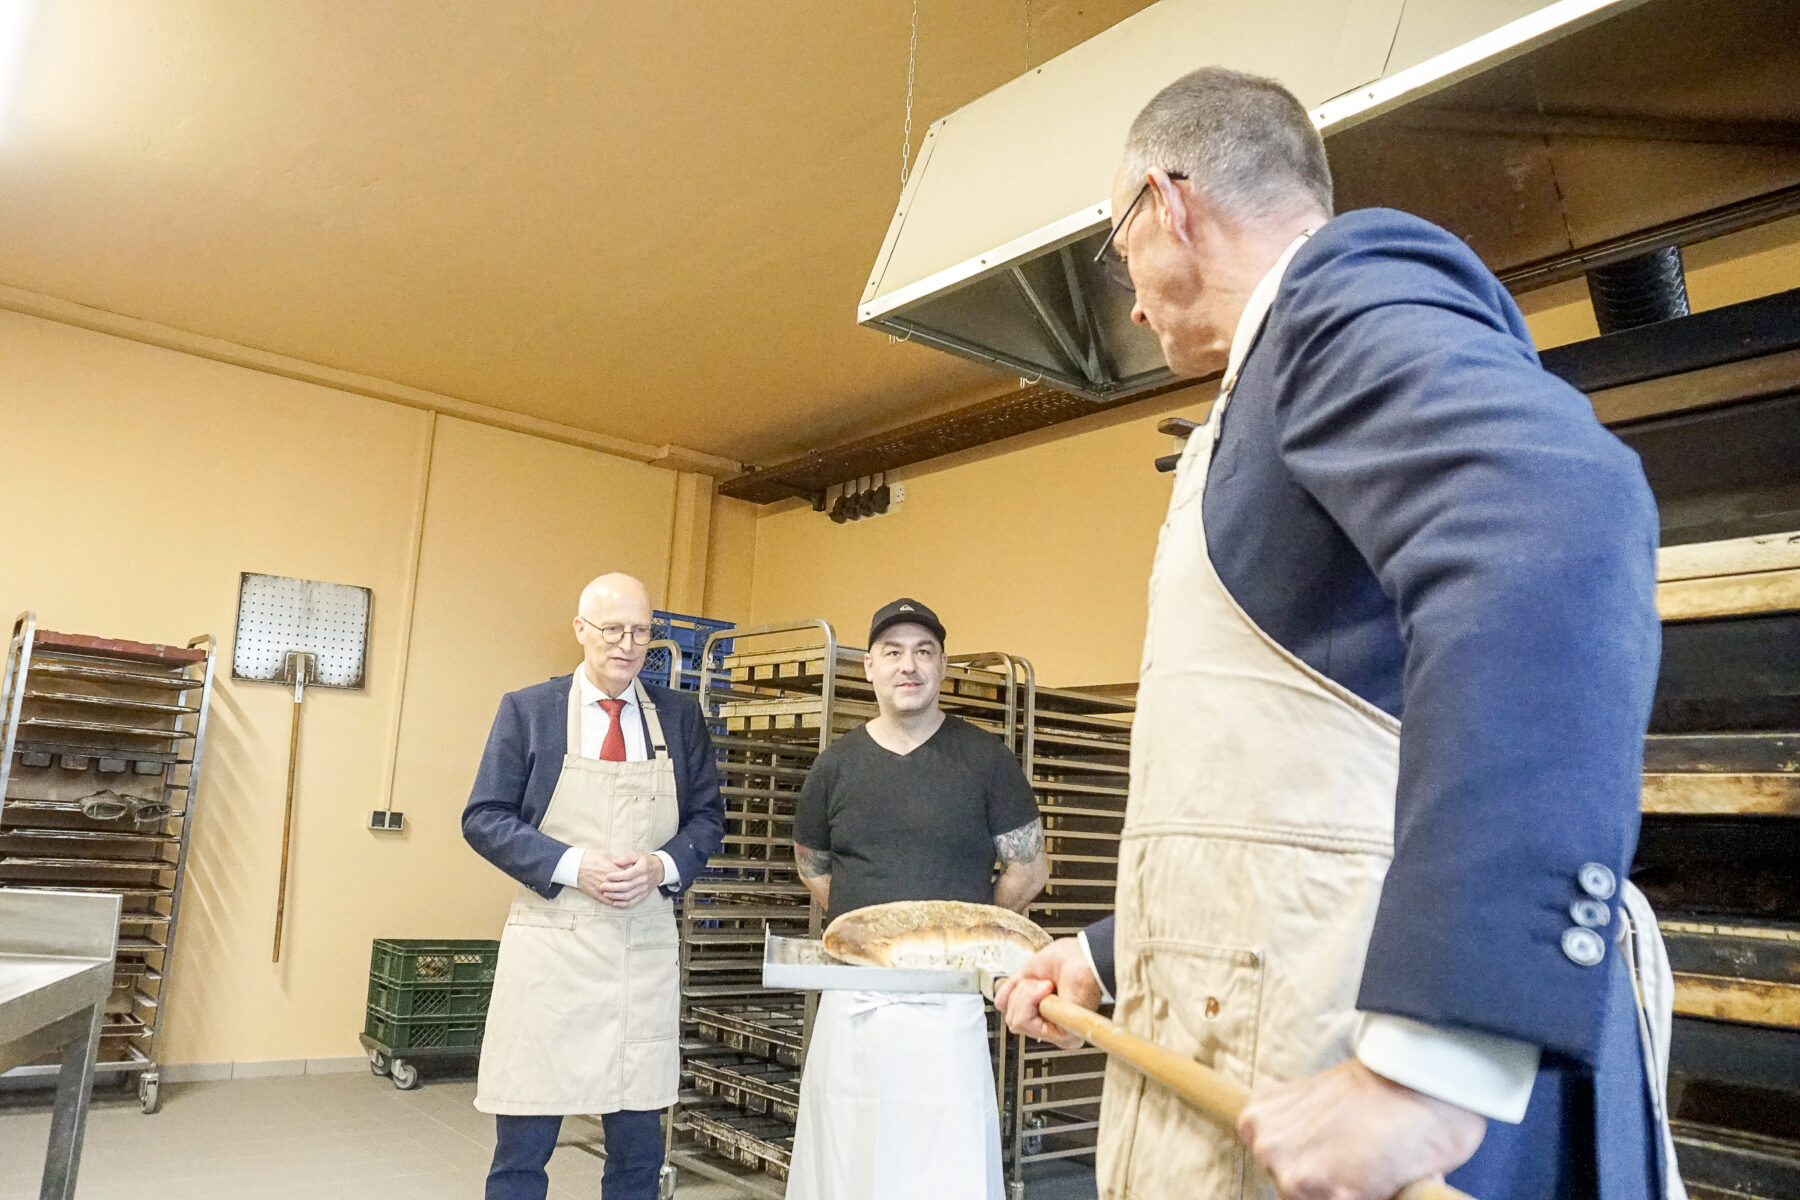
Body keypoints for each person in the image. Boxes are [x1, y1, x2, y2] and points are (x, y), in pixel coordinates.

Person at [996, 67, 1682, 1200]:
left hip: (1410, 1077)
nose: (1127, 302)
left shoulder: (1332, 296)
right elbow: (1308, 781)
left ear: (1169, 207)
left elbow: (1559, 519)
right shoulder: (1257, 392)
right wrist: (1113, 955)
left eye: (1119, 255)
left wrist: (1430, 1063)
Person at [462, 573, 725, 1200]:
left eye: (641, 631)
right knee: (523, 1152)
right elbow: (484, 816)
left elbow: (708, 818)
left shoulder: (680, 717)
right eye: (612, 629)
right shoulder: (530, 711)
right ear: (581, 630)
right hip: (552, 954)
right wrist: (574, 865)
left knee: (637, 1153)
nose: (627, 644)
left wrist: (663, 866)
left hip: (640, 952)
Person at [785, 598, 1050, 1200]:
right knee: (846, 1159)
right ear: (869, 669)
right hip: (854, 998)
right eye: (893, 652)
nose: (909, 666)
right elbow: (815, 870)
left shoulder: (986, 761)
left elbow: (1029, 867)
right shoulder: (834, 767)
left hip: (948, 1001)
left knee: (944, 1163)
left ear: (943, 666)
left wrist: (967, 938)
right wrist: (881, 937)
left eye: (924, 652)